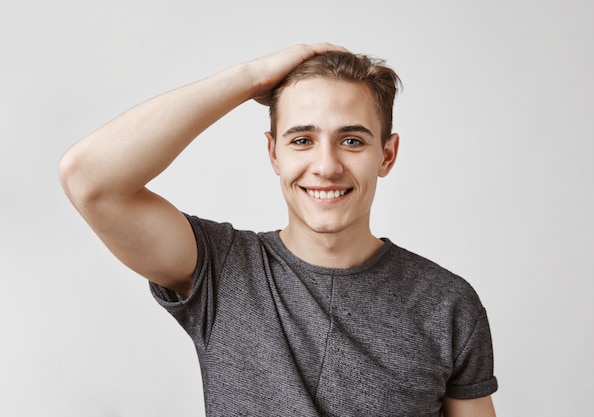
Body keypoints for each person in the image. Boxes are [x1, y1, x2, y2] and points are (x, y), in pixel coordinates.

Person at [59, 43, 498, 416]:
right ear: (273, 153)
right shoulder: (220, 269)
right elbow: (88, 178)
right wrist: (252, 77)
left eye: (352, 140)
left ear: (386, 155)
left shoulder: (447, 304)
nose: (326, 166)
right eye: (302, 140)